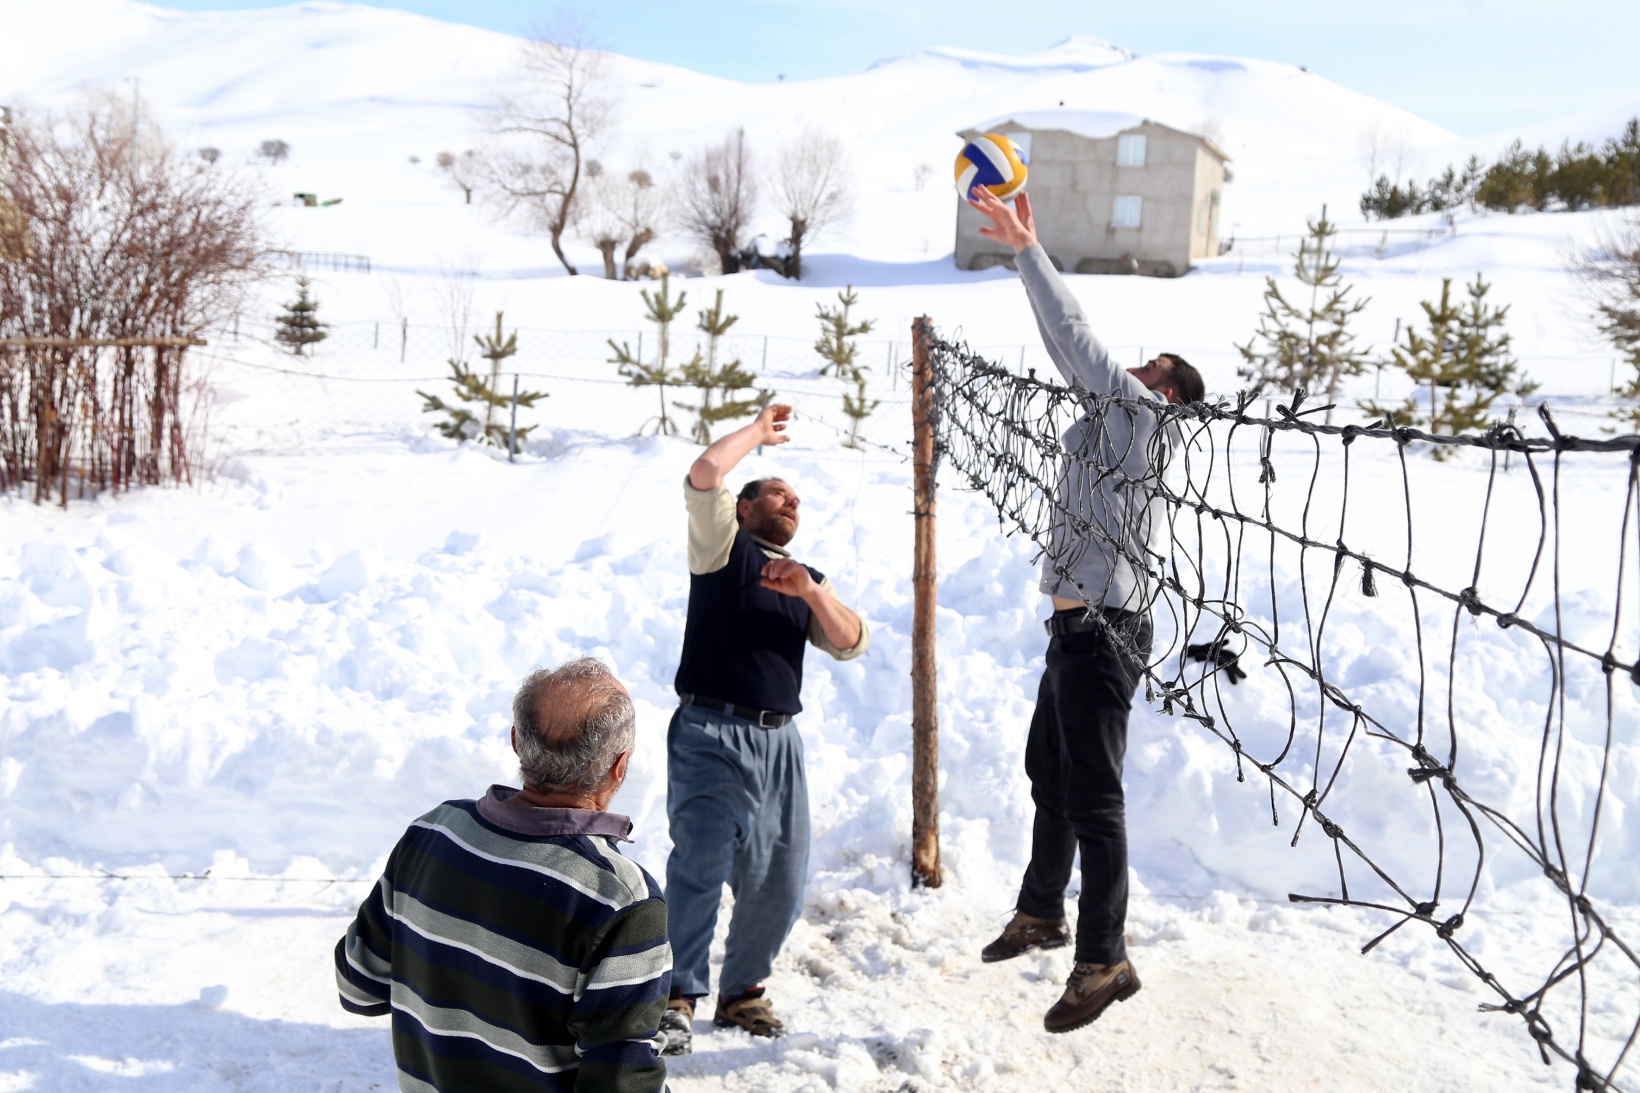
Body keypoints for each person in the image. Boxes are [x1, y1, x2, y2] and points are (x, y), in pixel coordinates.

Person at [967, 186, 1205, 1034]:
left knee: (1095, 801)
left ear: (1166, 394)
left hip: (1103, 631)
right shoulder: (1114, 427)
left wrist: (1027, 249)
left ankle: (1104, 960)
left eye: (1153, 368)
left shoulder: (1138, 416)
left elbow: (1074, 340)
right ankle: (1042, 910)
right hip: (1077, 626)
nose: (1135, 369)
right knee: (1051, 776)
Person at [334, 659, 672, 1093]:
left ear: (517, 741)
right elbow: (624, 1081)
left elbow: (357, 985)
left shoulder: (432, 832)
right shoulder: (620, 900)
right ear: (619, 766)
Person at [659, 403, 869, 1054]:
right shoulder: (724, 545)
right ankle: (678, 996)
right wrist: (756, 433)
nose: (791, 500)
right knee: (699, 861)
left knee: (780, 874)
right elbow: (703, 473)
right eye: (778, 491)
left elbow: (852, 640)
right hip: (709, 731)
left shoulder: (803, 579)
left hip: (781, 743)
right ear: (746, 507)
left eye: (797, 498)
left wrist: (811, 592)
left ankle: (742, 991)